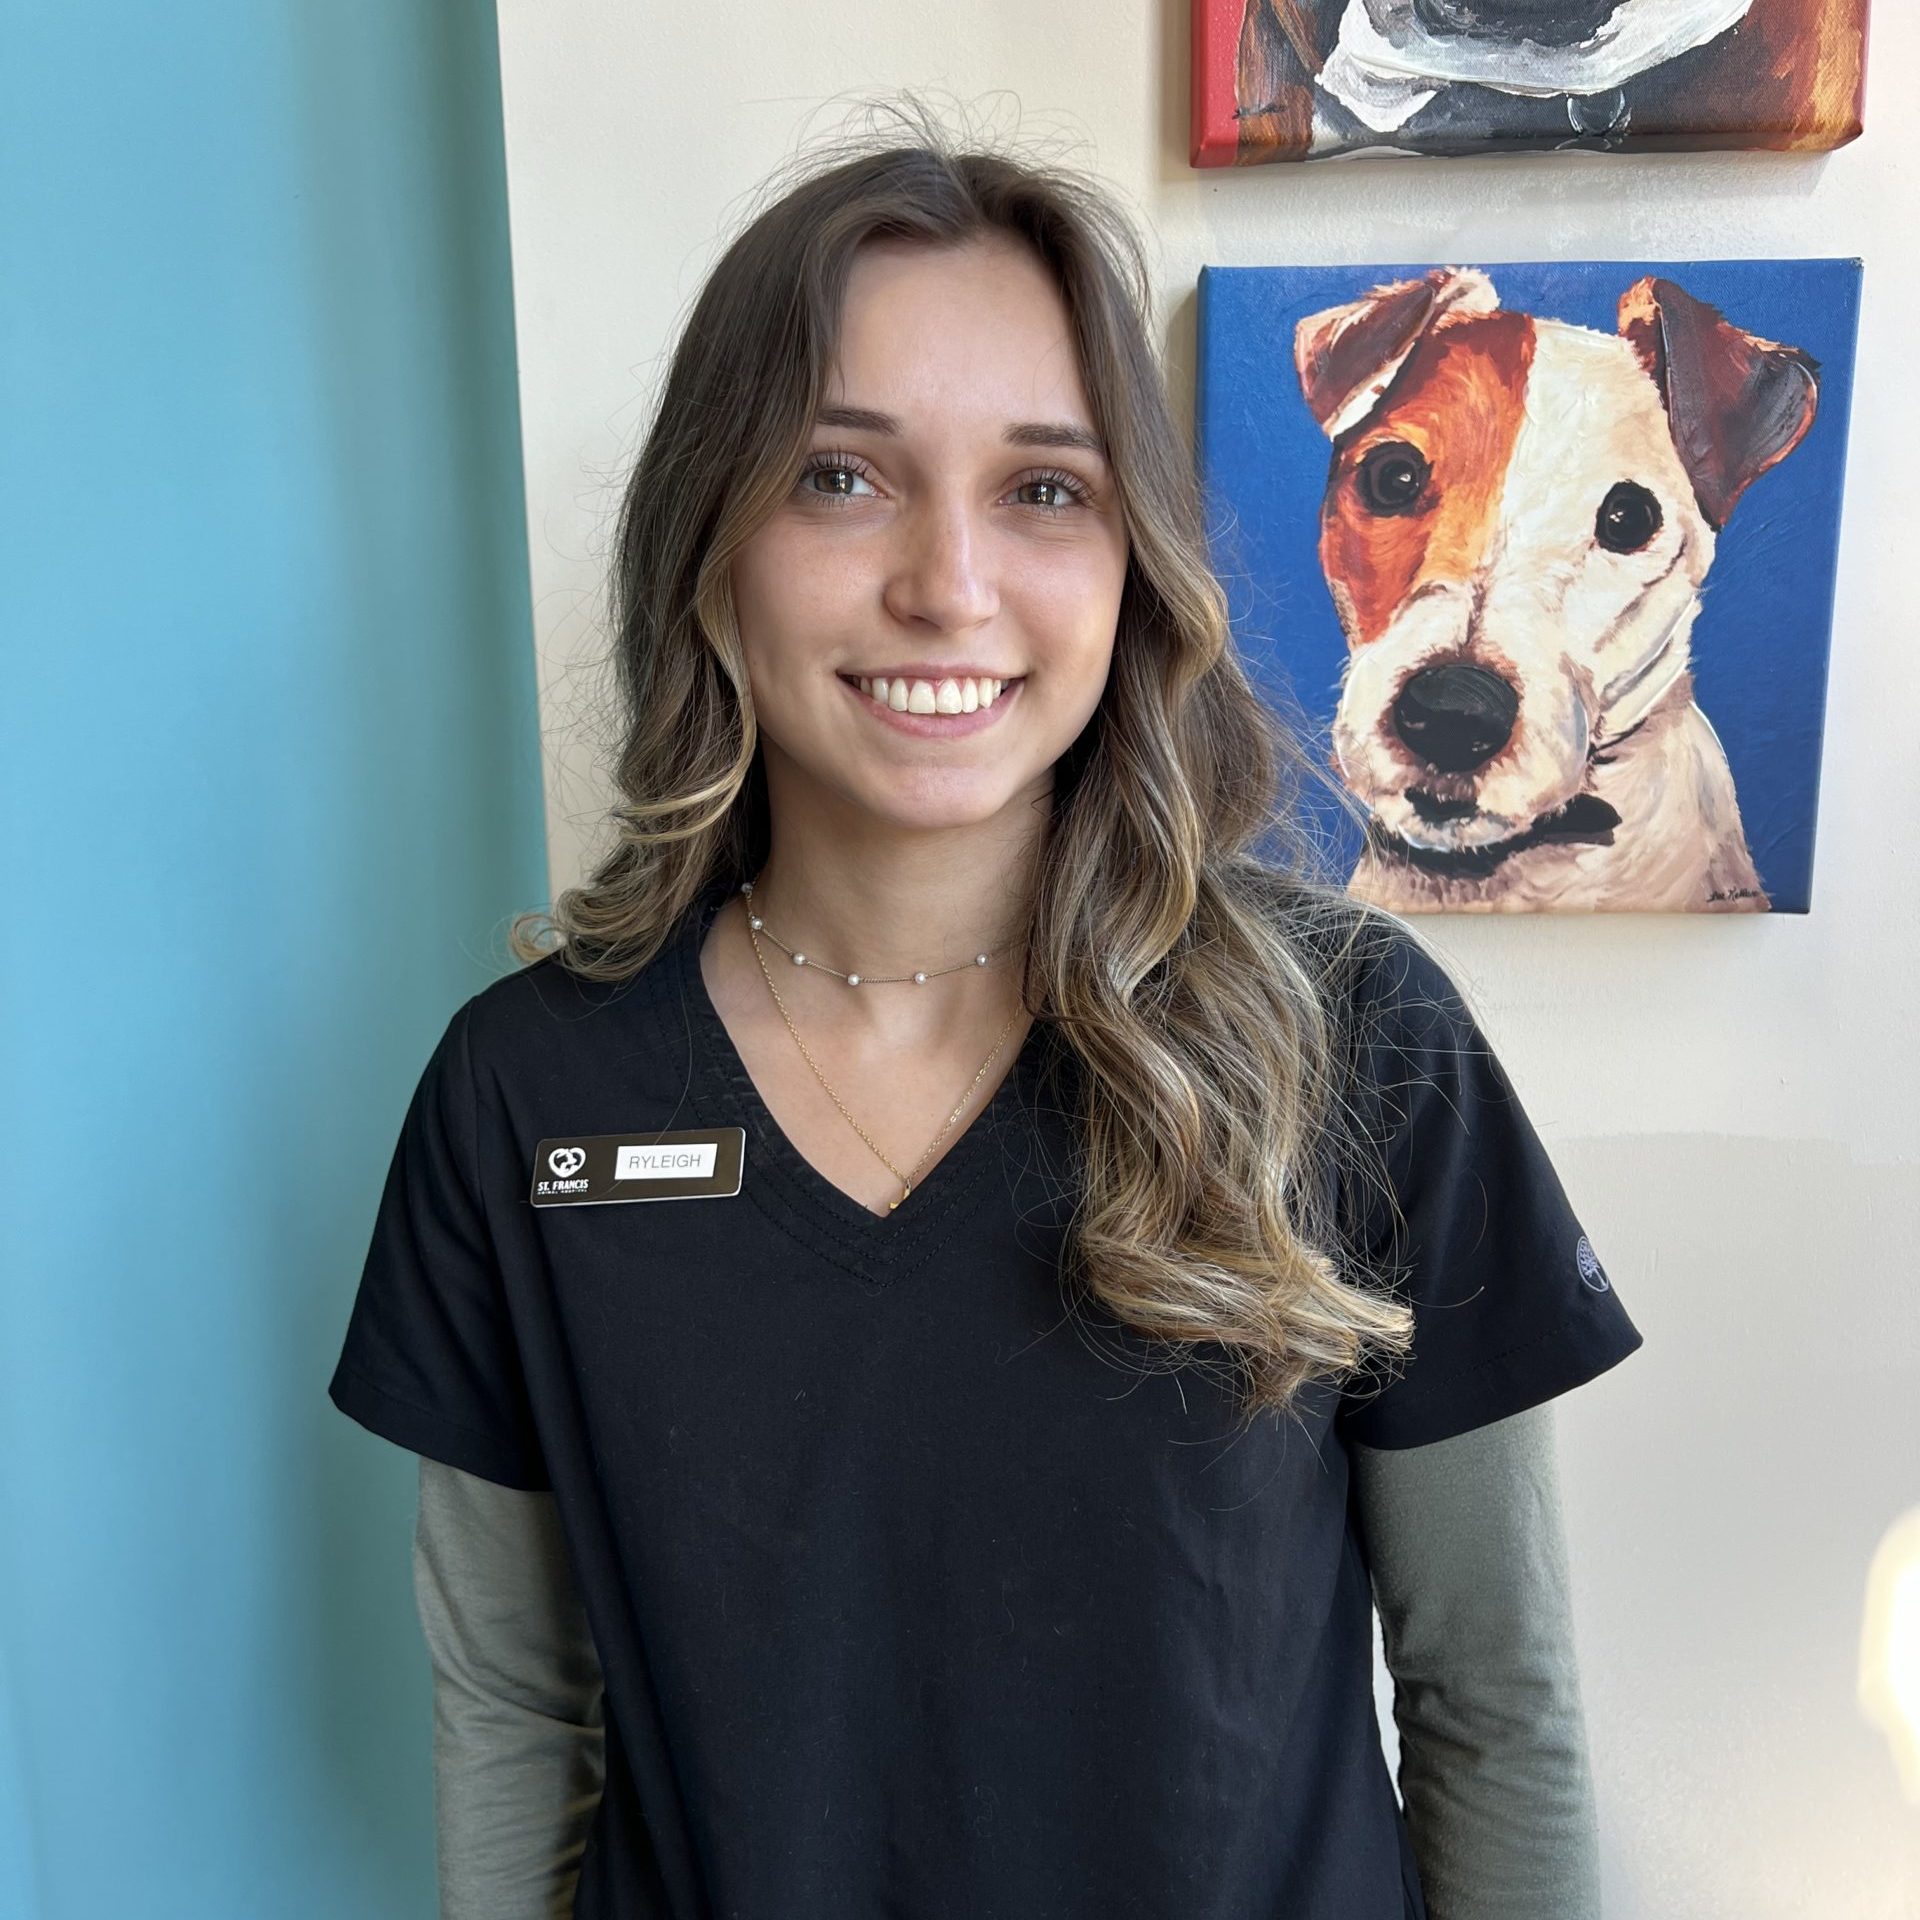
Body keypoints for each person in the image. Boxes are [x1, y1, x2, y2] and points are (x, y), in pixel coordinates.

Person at [328, 110, 1644, 1920]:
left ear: (1133, 565)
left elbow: (1493, 1699)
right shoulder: (524, 1094)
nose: (948, 583)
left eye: (1045, 488)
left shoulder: (1351, 1037)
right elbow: (511, 1712)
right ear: (712, 537)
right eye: (840, 477)